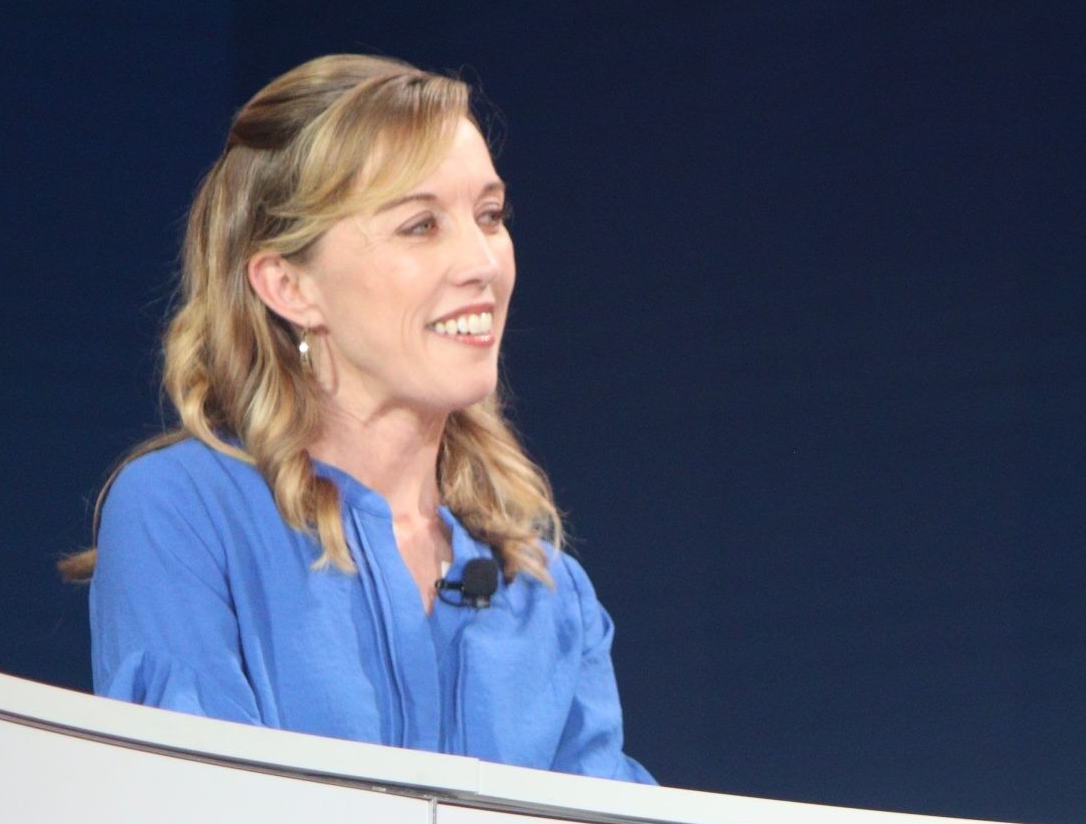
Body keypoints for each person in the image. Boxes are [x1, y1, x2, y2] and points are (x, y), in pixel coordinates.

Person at [64, 54, 652, 783]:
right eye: (420, 225)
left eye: (490, 216)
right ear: (289, 285)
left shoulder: (548, 593)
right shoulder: (184, 514)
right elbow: (196, 813)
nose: (483, 264)